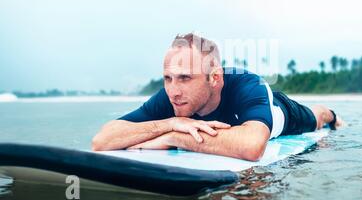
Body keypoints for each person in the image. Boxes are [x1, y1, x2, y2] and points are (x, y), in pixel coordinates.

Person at [92, 33, 344, 161]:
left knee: (317, 117)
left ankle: (332, 113)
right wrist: (170, 122)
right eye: (168, 78)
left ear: (214, 78)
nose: (174, 90)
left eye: (185, 78)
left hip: (281, 113)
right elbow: (102, 140)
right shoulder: (172, 96)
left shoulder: (248, 84)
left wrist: (172, 137)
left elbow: (251, 147)